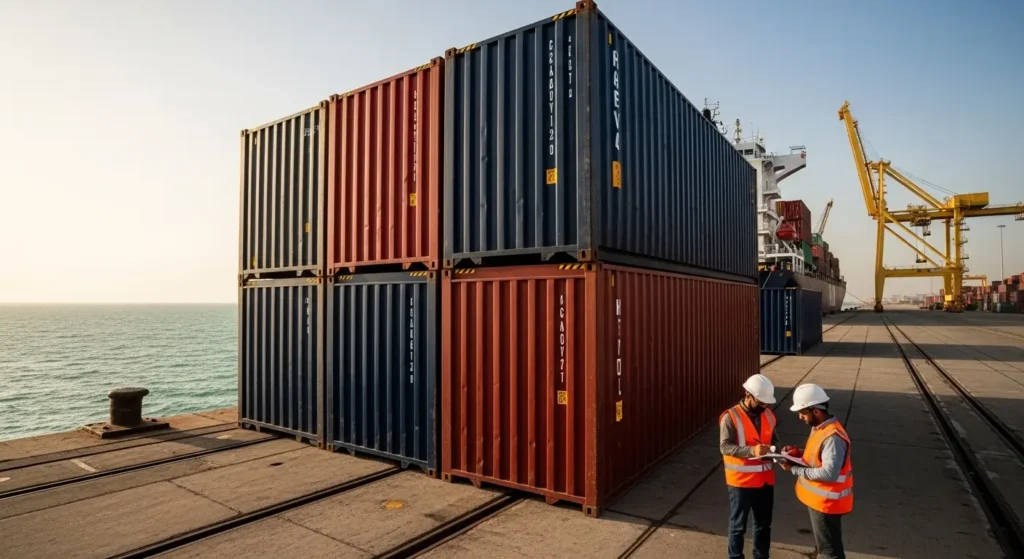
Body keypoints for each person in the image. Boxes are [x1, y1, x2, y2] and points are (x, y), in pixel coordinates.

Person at [780, 384, 853, 559]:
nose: (800, 417)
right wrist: (797, 453)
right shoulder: (820, 428)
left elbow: (829, 474)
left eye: (803, 412)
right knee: (829, 547)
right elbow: (817, 455)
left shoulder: (833, 438)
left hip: (826, 504)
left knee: (828, 552)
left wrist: (794, 469)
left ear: (816, 411)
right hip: (821, 501)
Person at [720, 373, 779, 559]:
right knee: (738, 526)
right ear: (748, 395)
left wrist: (780, 452)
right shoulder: (730, 417)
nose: (764, 406)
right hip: (741, 483)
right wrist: (752, 451)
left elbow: (774, 440)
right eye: (761, 402)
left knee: (763, 525)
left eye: (766, 403)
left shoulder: (768, 415)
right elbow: (725, 446)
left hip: (765, 481)